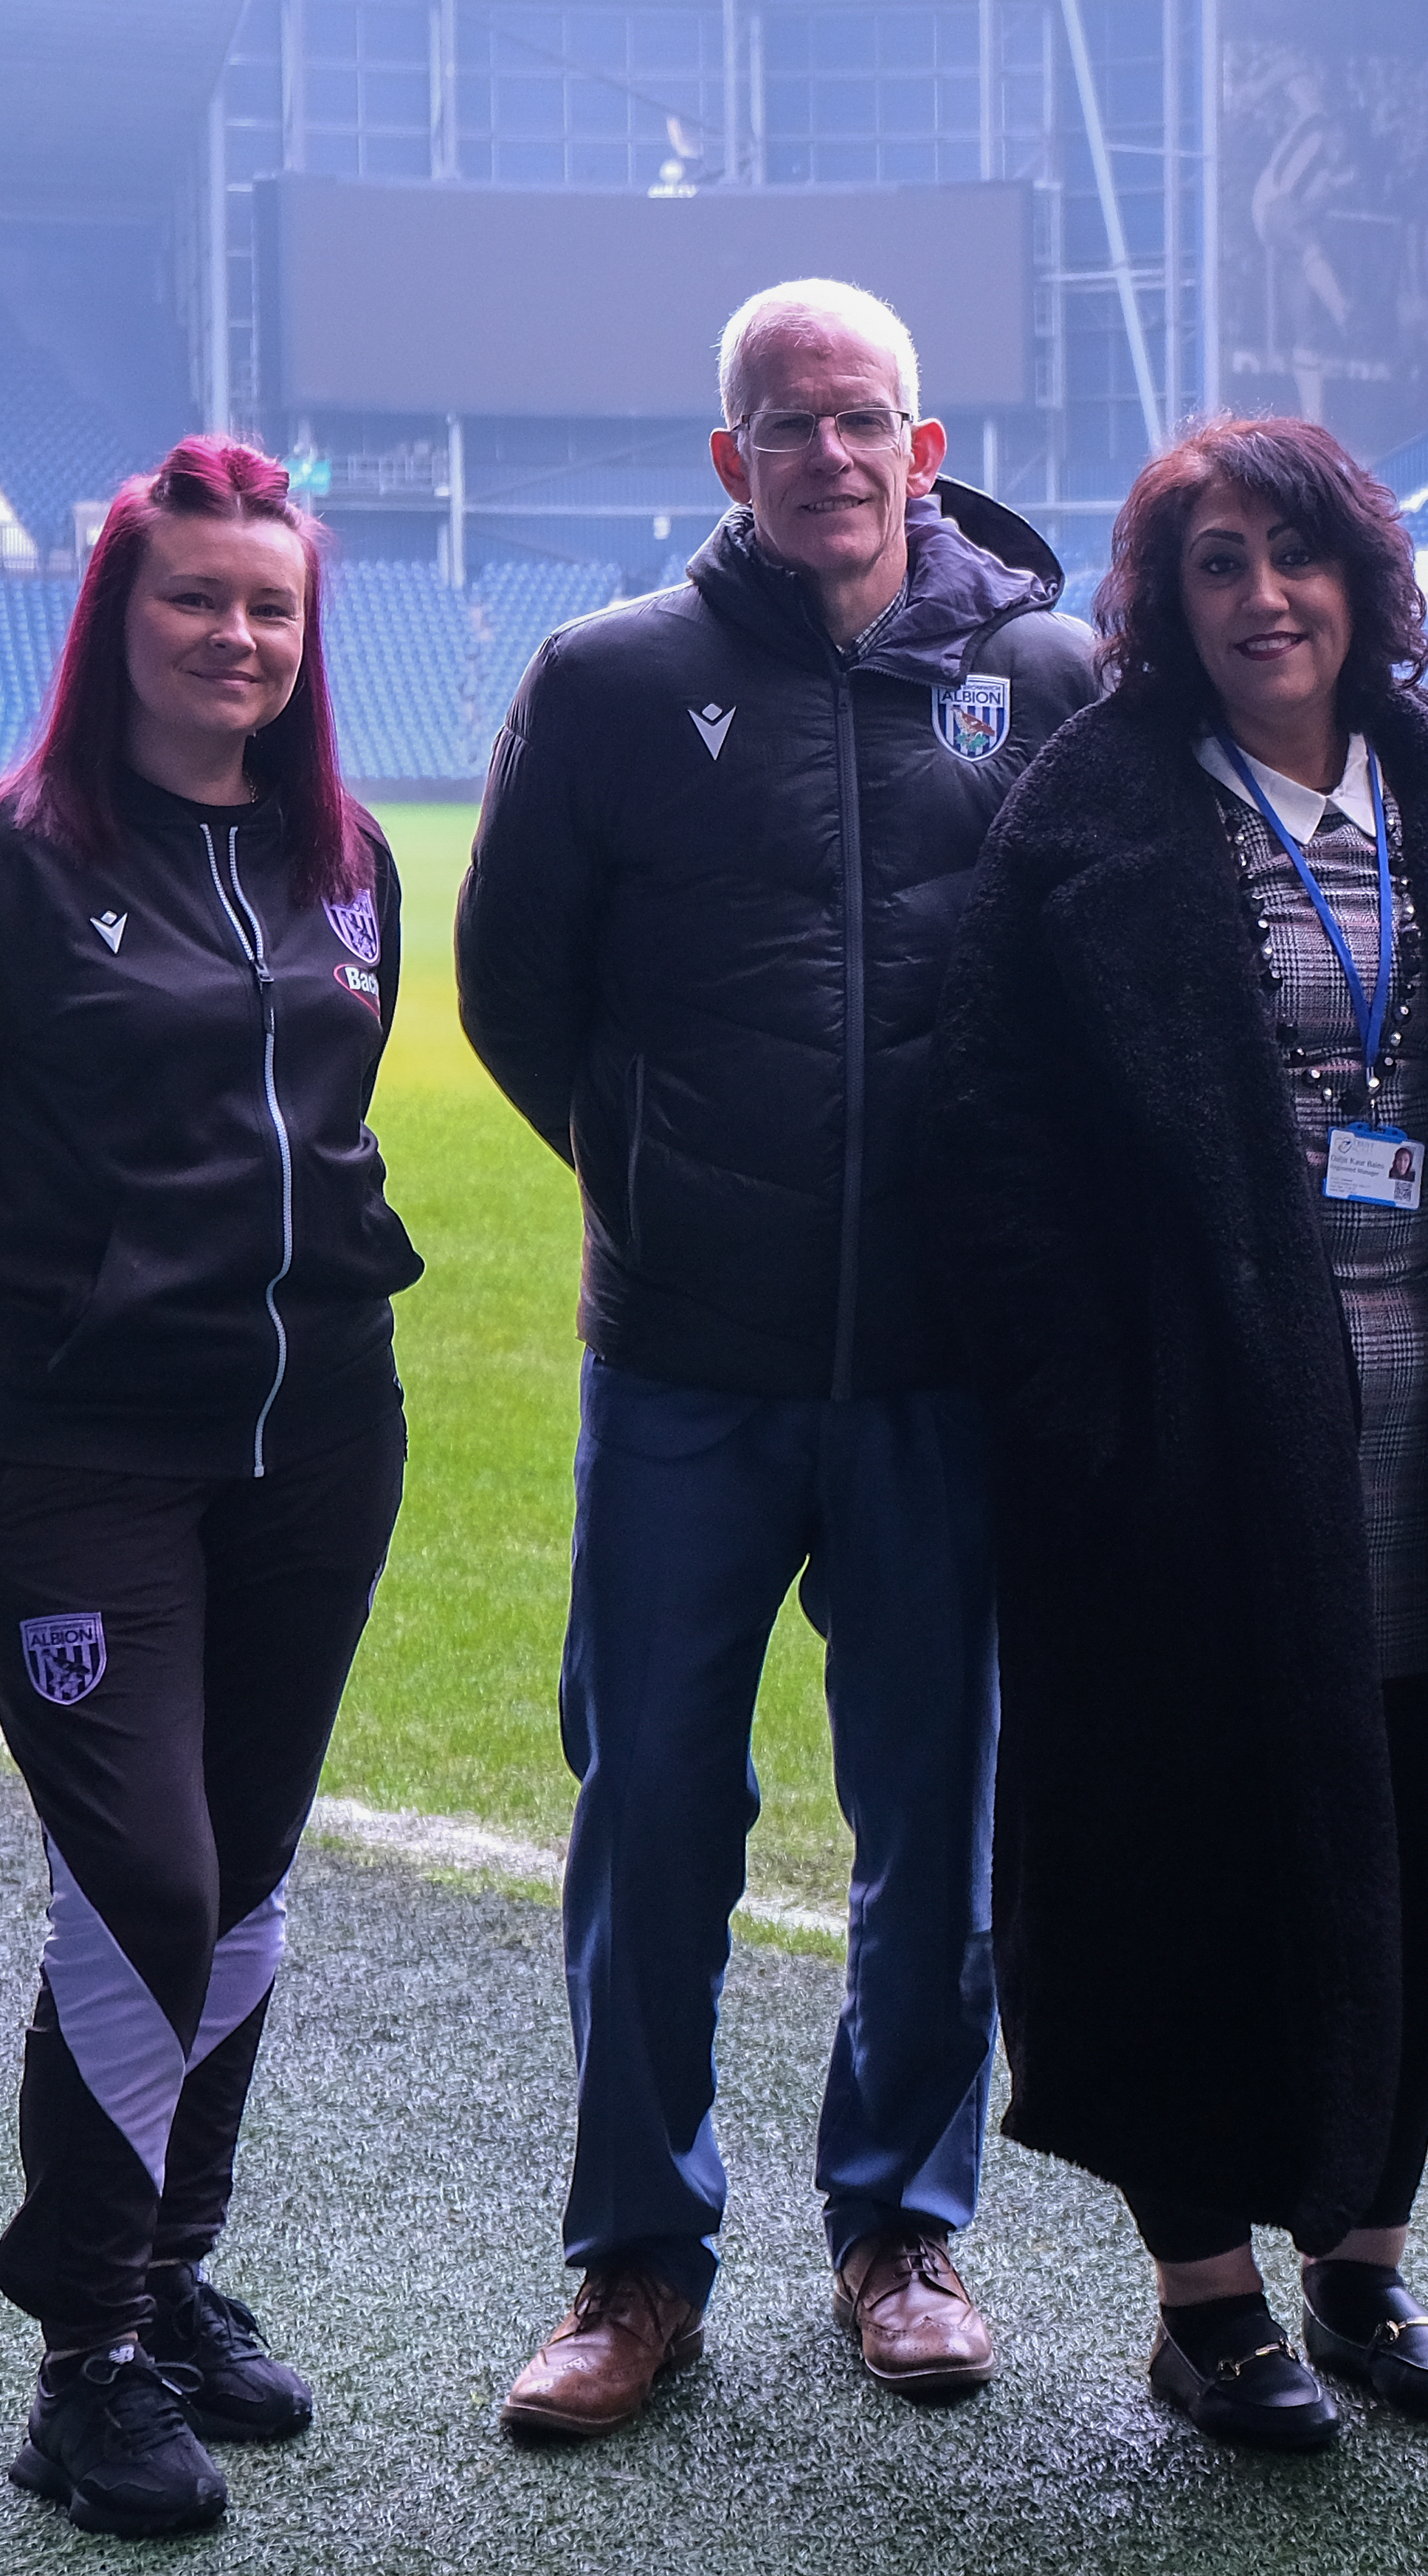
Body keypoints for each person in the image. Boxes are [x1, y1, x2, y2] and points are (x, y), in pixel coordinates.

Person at [456, 277, 1100, 2440]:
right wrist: (661, 1176)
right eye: (786, 424)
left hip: (942, 1373)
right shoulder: (616, 683)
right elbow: (514, 997)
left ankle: (902, 2228)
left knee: (941, 1818)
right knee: (654, 1813)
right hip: (687, 1372)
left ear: (927, 449)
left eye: (867, 423)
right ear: (728, 461)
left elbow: (1103, 996)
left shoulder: (1047, 676)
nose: (830, 456)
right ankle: (633, 2265)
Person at [935, 415, 1428, 2454]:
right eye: (1217, 565)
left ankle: (1364, 2265)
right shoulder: (1089, 815)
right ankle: (1207, 2296)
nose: (1262, 600)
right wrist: (1100, 1427)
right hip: (1190, 1461)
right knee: (1189, 1856)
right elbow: (1000, 1155)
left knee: (1416, 1822)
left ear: (1363, 581)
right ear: (1168, 600)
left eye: (1293, 558)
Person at [0, 438, 422, 2541]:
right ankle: (80, 2357)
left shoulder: (348, 855)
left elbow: (338, 1122)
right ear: (122, 619)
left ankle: (166, 2275)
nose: (239, 636)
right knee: (148, 1887)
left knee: (242, 1886)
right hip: (71, 1456)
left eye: (271, 605)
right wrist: (3, 1389)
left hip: (313, 1440)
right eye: (199, 598)